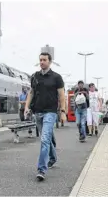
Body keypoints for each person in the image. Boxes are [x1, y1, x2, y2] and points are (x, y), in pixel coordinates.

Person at [24, 52, 66, 182]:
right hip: (38, 112)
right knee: (45, 139)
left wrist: (63, 111)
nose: (42, 62)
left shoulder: (56, 77)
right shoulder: (35, 77)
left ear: (50, 61)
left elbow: (61, 96)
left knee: (44, 139)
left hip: (50, 112)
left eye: (44, 60)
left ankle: (41, 169)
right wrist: (26, 107)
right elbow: (31, 93)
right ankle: (53, 158)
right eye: (40, 60)